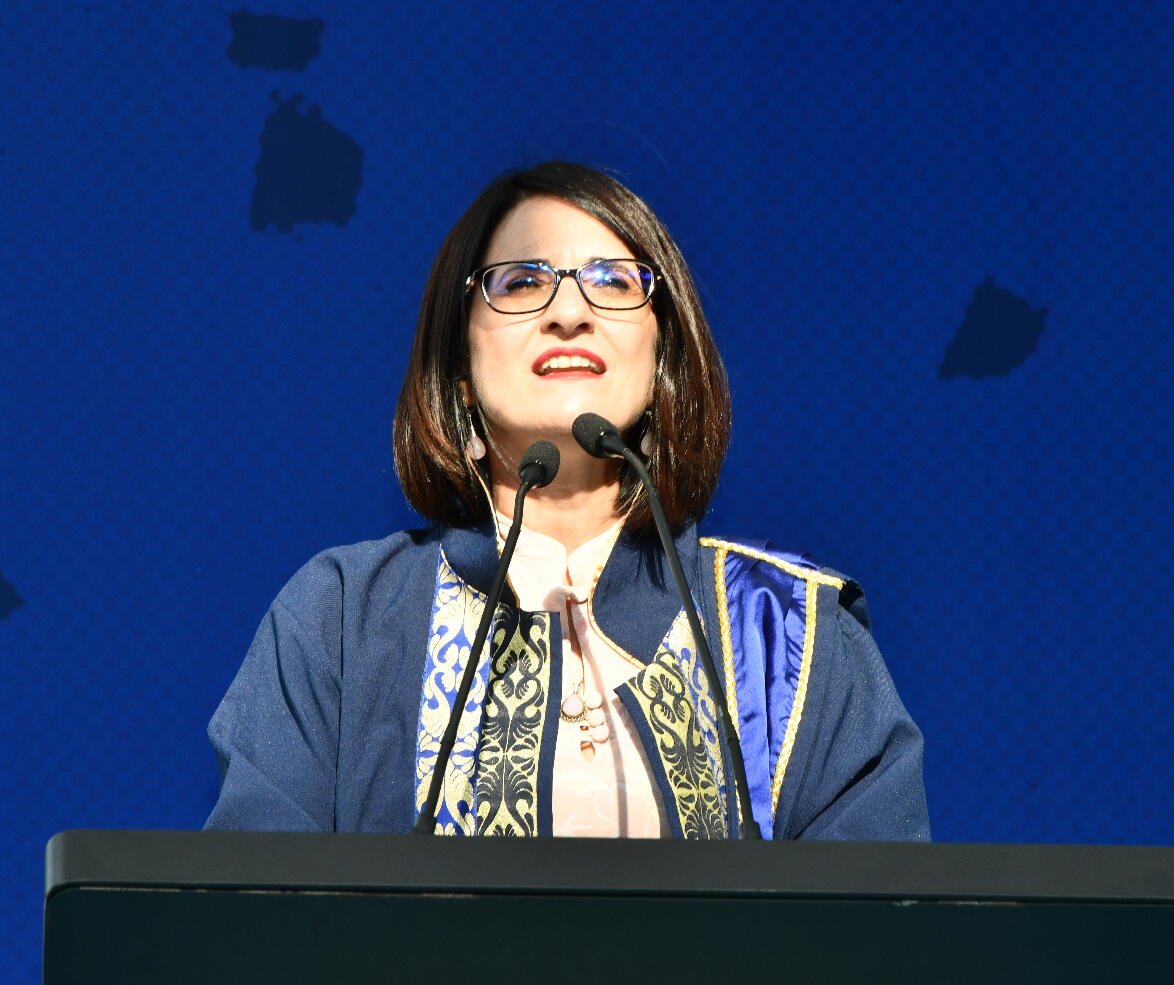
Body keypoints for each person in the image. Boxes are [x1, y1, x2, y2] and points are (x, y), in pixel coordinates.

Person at [204, 161, 928, 841]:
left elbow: (875, 924)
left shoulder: (795, 634)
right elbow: (258, 908)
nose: (571, 311)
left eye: (613, 280)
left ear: (662, 360)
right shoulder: (342, 618)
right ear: (459, 370)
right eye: (522, 282)